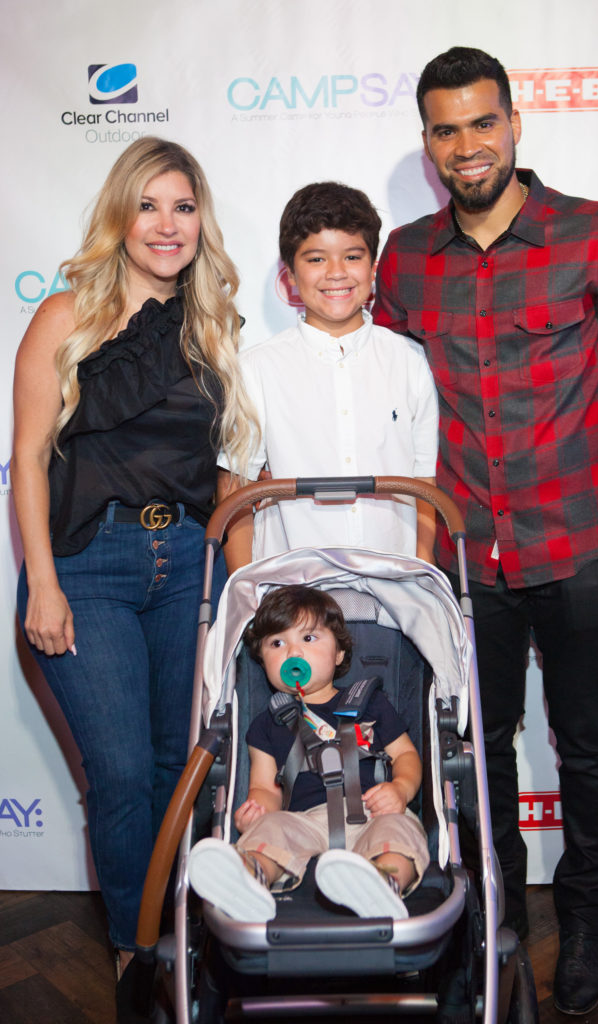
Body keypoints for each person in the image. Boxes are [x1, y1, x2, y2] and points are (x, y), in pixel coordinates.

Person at [373, 46, 598, 1016]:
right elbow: (383, 394)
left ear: (513, 124)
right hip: (462, 556)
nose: (465, 145)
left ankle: (584, 921)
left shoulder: (596, 234)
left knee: (585, 742)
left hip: (584, 542)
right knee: (481, 744)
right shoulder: (404, 257)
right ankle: (500, 913)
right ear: (427, 142)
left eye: (480, 122)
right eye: (444, 128)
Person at [11, 137, 255, 1005]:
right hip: (88, 565)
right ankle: (134, 950)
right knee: (117, 774)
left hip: (184, 562)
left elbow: (225, 469)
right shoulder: (64, 317)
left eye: (183, 207)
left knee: (173, 767)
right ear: (121, 215)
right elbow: (30, 459)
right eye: (148, 205)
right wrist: (41, 580)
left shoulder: (210, 326)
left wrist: (238, 585)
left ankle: (179, 930)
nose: (166, 224)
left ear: (200, 222)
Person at [217, 181, 439, 571]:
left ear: (373, 268)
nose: (336, 273)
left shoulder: (409, 360)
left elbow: (424, 482)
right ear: (289, 276)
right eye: (316, 259)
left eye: (352, 256)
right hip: (291, 594)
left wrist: (421, 566)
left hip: (393, 586)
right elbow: (235, 490)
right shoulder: (256, 368)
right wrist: (245, 589)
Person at [188, 585, 429, 921]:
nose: (293, 652)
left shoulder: (371, 702)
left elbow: (406, 755)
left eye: (309, 639)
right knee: (271, 829)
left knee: (398, 831)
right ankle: (249, 875)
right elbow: (265, 787)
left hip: (373, 812)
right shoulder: (266, 724)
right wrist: (258, 810)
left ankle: (382, 882)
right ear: (262, 659)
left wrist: (401, 789)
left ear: (339, 654)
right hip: (303, 820)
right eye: (277, 643)